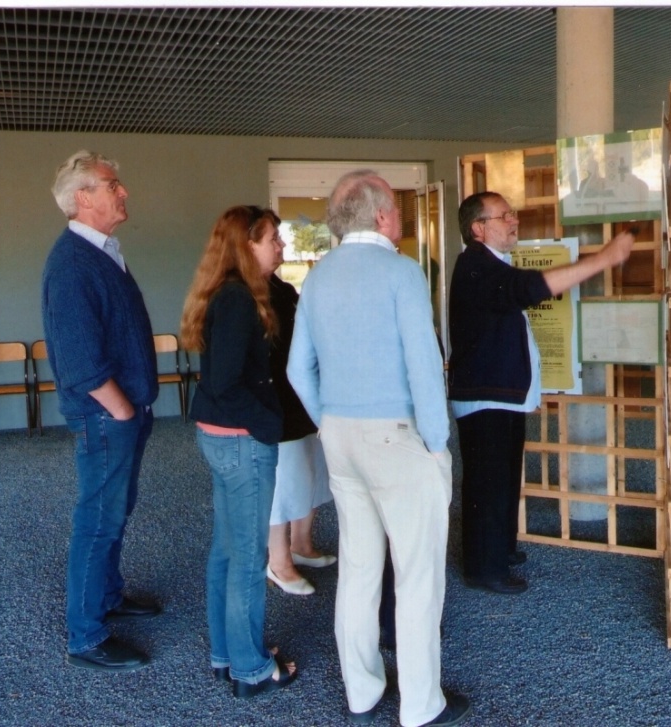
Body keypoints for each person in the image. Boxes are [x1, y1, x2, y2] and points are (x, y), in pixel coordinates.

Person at [287, 170, 470, 727]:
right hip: (398, 437)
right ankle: (420, 705)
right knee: (417, 577)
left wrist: (329, 422)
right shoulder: (401, 271)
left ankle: (362, 692)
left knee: (360, 570)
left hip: (340, 436)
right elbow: (423, 364)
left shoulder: (317, 276)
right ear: (382, 216)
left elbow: (299, 369)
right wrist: (438, 445)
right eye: (395, 207)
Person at [448, 191, 635, 595]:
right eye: (504, 216)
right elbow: (529, 289)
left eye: (513, 213)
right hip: (485, 398)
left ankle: (497, 549)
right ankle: (484, 567)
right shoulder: (475, 266)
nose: (514, 221)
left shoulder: (489, 264)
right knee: (487, 483)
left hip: (498, 394)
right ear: (479, 228)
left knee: (501, 479)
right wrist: (602, 260)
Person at [42, 150, 161, 672]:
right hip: (108, 417)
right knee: (98, 519)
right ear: (83, 198)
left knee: (115, 511)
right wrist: (123, 412)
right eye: (113, 184)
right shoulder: (72, 262)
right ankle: (86, 635)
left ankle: (109, 596)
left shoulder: (102, 251)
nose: (124, 191)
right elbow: (80, 362)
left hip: (122, 413)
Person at [179, 205, 298, 697]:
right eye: (272, 238)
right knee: (247, 560)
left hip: (222, 437)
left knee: (228, 553)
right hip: (241, 443)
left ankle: (228, 654)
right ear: (248, 245)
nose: (281, 246)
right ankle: (249, 670)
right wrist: (269, 424)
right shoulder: (237, 301)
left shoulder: (231, 293)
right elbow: (228, 383)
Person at [265, 272, 336, 596]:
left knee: (313, 471)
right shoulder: (247, 290)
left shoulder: (283, 287)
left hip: (302, 394)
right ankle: (278, 562)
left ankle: (301, 543)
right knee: (285, 481)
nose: (280, 245)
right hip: (277, 397)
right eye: (272, 239)